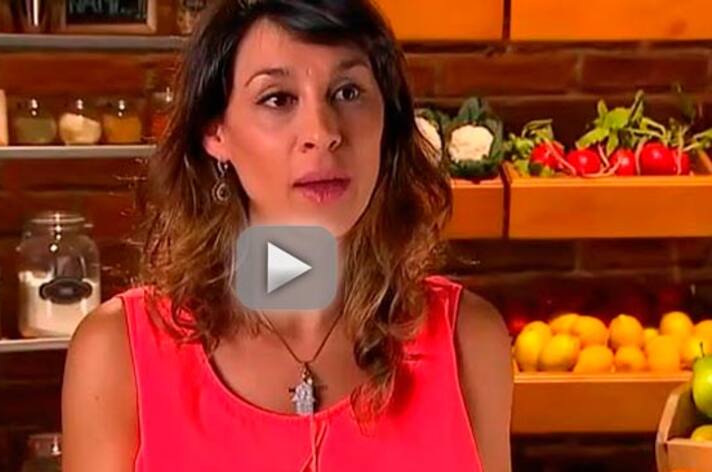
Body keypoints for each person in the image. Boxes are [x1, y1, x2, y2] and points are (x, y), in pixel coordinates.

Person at [62, 0, 513, 470]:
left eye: (348, 92)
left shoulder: (469, 342)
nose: (323, 132)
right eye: (278, 99)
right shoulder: (117, 355)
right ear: (216, 131)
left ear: (388, 120)